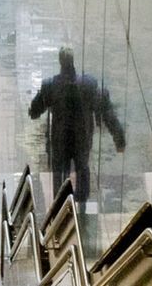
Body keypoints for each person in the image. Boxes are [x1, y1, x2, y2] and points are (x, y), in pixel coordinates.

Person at [28, 47, 126, 206]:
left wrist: (34, 110)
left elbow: (35, 110)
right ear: (73, 61)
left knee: (60, 172)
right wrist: (119, 138)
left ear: (60, 61)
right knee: (82, 167)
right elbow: (107, 112)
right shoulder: (89, 84)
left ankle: (61, 206)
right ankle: (82, 205)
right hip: (82, 139)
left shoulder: (51, 85)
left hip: (60, 141)